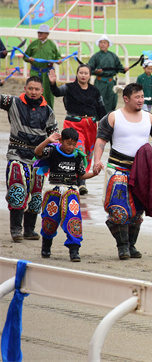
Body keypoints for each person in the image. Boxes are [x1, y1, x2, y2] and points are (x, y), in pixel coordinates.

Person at [92, 83, 152, 260]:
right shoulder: (113, 117)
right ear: (126, 99)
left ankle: (131, 245)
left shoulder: (149, 117)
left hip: (140, 171)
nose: (141, 100)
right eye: (137, 97)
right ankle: (122, 246)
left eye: (142, 96)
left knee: (137, 211)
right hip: (117, 168)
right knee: (118, 209)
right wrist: (96, 161)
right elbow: (101, 140)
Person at [2, 76, 57, 241]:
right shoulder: (13, 102)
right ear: (25, 89)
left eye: (37, 89)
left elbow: (54, 135)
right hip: (17, 154)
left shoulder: (48, 110)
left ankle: (29, 230)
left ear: (42, 91)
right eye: (30, 88)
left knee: (36, 194)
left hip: (38, 158)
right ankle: (16, 230)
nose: (33, 92)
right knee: (17, 188)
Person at [34, 128, 98, 262]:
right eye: (68, 143)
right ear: (61, 141)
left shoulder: (78, 155)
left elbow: (81, 175)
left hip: (71, 191)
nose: (71, 147)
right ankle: (46, 247)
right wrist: (48, 140)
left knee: (74, 217)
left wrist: (94, 173)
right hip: (53, 190)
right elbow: (37, 152)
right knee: (49, 218)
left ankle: (74, 250)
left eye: (74, 144)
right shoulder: (52, 151)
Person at [48, 64, 106, 196]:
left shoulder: (95, 91)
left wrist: (107, 124)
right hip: (74, 124)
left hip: (91, 126)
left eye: (86, 73)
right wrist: (52, 83)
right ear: (77, 74)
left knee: (88, 152)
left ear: (90, 75)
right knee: (78, 150)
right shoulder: (69, 87)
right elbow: (57, 92)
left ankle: (78, 176)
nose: (83, 75)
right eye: (81, 73)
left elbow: (101, 109)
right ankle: (81, 183)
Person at [88, 35, 131, 115]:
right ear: (98, 44)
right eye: (101, 43)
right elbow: (89, 69)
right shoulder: (95, 57)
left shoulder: (113, 56)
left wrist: (124, 69)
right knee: (99, 101)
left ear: (108, 45)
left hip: (111, 83)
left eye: (105, 43)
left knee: (111, 102)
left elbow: (119, 67)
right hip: (100, 83)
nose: (103, 44)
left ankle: (109, 118)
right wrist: (96, 72)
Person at [23, 24, 60, 106]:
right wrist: (29, 59)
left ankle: (48, 110)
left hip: (47, 73)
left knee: (48, 92)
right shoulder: (33, 44)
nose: (39, 34)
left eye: (41, 33)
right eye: (38, 32)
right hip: (35, 72)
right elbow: (25, 56)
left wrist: (59, 60)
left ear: (47, 34)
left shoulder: (52, 45)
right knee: (33, 91)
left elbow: (58, 57)